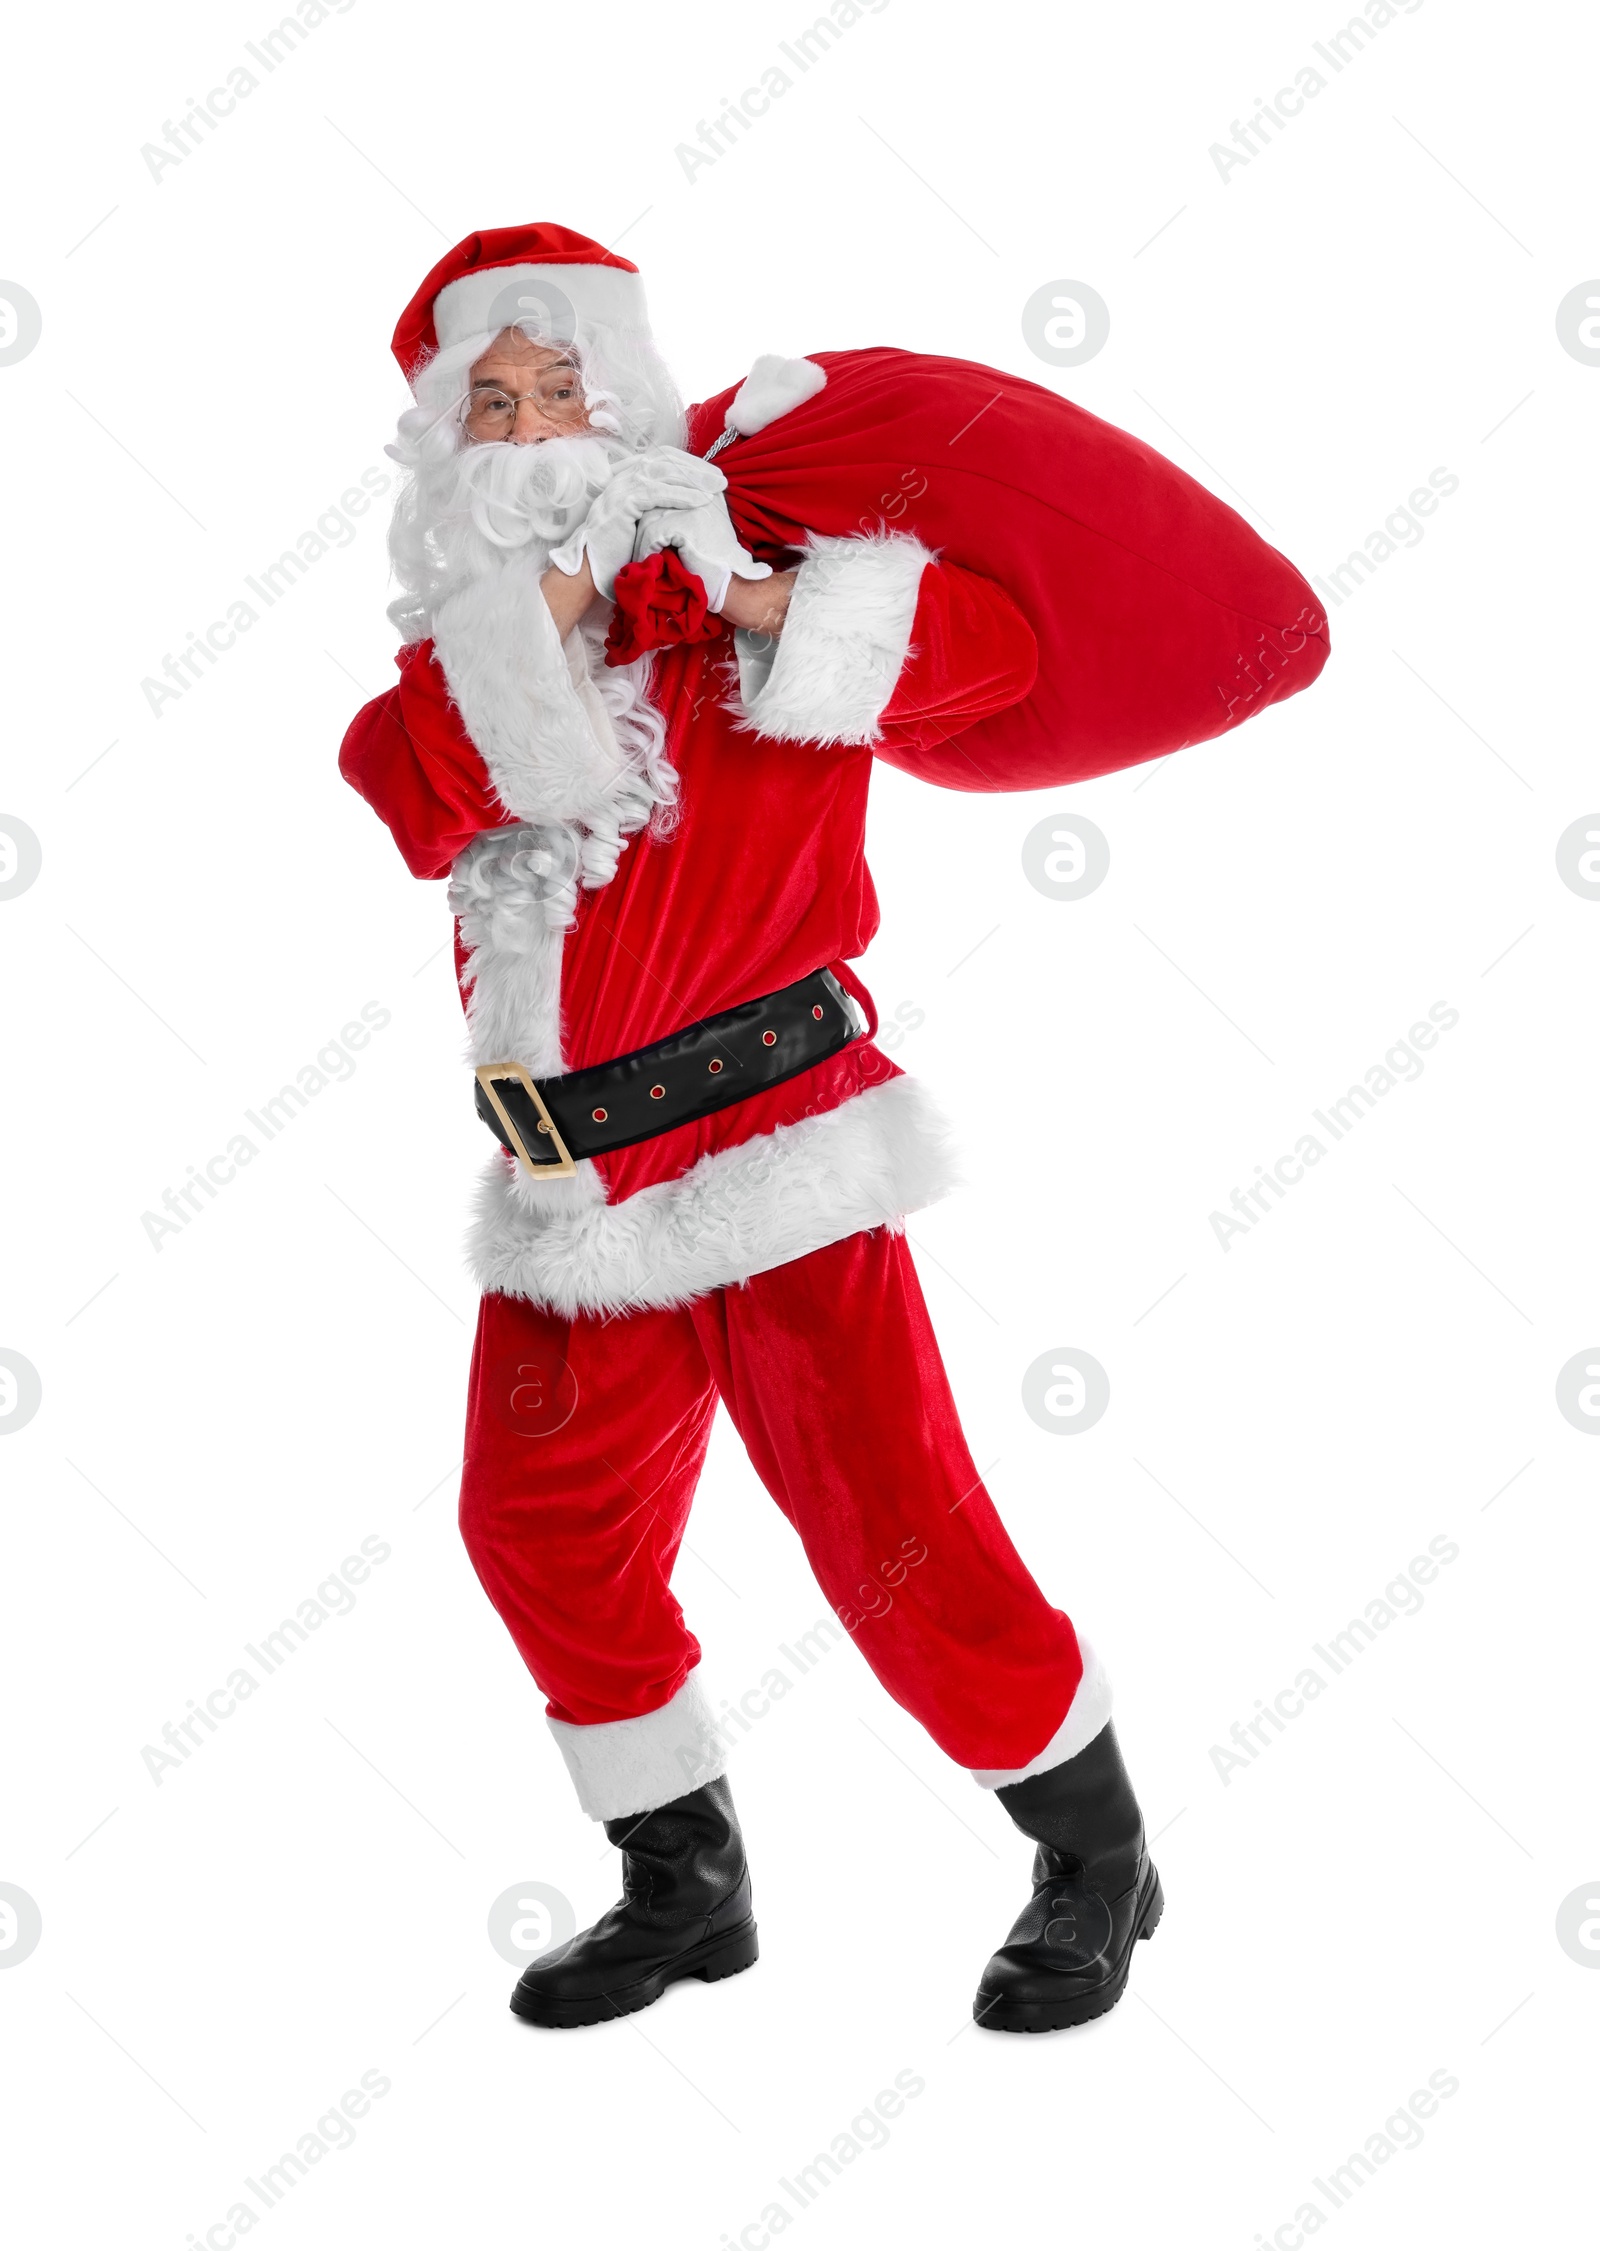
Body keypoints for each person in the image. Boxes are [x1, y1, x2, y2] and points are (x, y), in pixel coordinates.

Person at [339, 222, 1161, 2034]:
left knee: (894, 1534)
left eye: (565, 387)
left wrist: (756, 593)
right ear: (449, 452)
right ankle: (682, 1880)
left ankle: (1096, 1858)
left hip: (777, 1154)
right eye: (496, 400)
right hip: (569, 1185)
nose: (537, 421)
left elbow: (984, 657)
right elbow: (402, 784)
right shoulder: (473, 669)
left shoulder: (762, 580)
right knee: (535, 1528)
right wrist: (548, 623)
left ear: (627, 401)